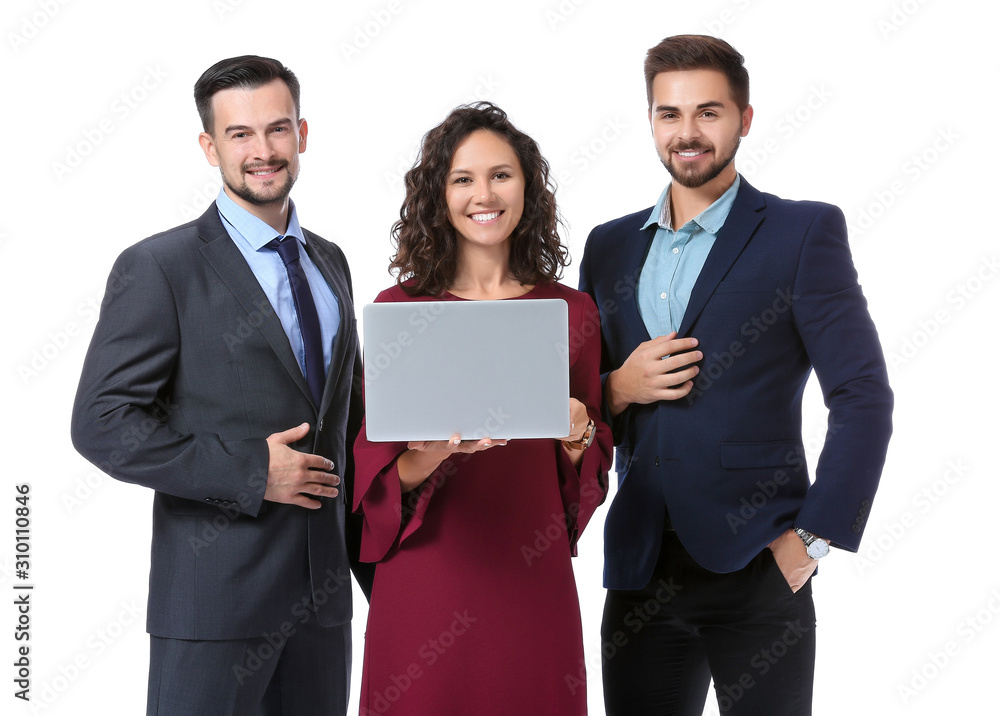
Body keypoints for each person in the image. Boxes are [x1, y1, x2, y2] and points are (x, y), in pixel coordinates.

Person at [579, 35, 893, 715]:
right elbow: (580, 399)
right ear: (651, 119)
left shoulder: (801, 233)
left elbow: (862, 396)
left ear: (744, 118)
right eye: (669, 114)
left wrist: (812, 539)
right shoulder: (607, 246)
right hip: (638, 570)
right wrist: (615, 389)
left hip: (760, 564)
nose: (687, 133)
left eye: (708, 112)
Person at [71, 55, 372, 716]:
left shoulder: (331, 261)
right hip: (215, 604)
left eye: (277, 129)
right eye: (240, 135)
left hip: (323, 606)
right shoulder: (160, 267)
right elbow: (101, 422)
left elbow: (347, 417)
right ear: (210, 147)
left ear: (302, 134)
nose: (262, 151)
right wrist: (250, 472)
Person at [353, 102, 612, 715]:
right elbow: (377, 477)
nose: (484, 194)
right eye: (463, 179)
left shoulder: (572, 312)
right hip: (428, 572)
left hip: (528, 565)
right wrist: (435, 453)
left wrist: (577, 432)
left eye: (501, 174)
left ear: (527, 186)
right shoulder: (398, 311)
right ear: (438, 196)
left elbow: (588, 466)